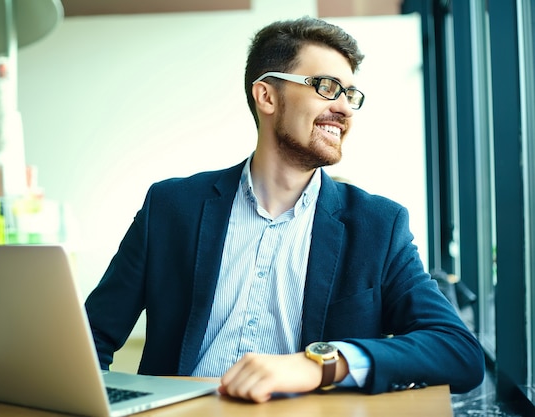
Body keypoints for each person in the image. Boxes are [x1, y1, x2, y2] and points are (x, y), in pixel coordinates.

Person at [84, 16, 485, 403]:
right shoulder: (172, 207)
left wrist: (323, 364)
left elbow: (457, 351)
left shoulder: (378, 225)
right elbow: (90, 337)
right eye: (327, 87)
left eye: (349, 94)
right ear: (267, 96)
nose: (344, 108)